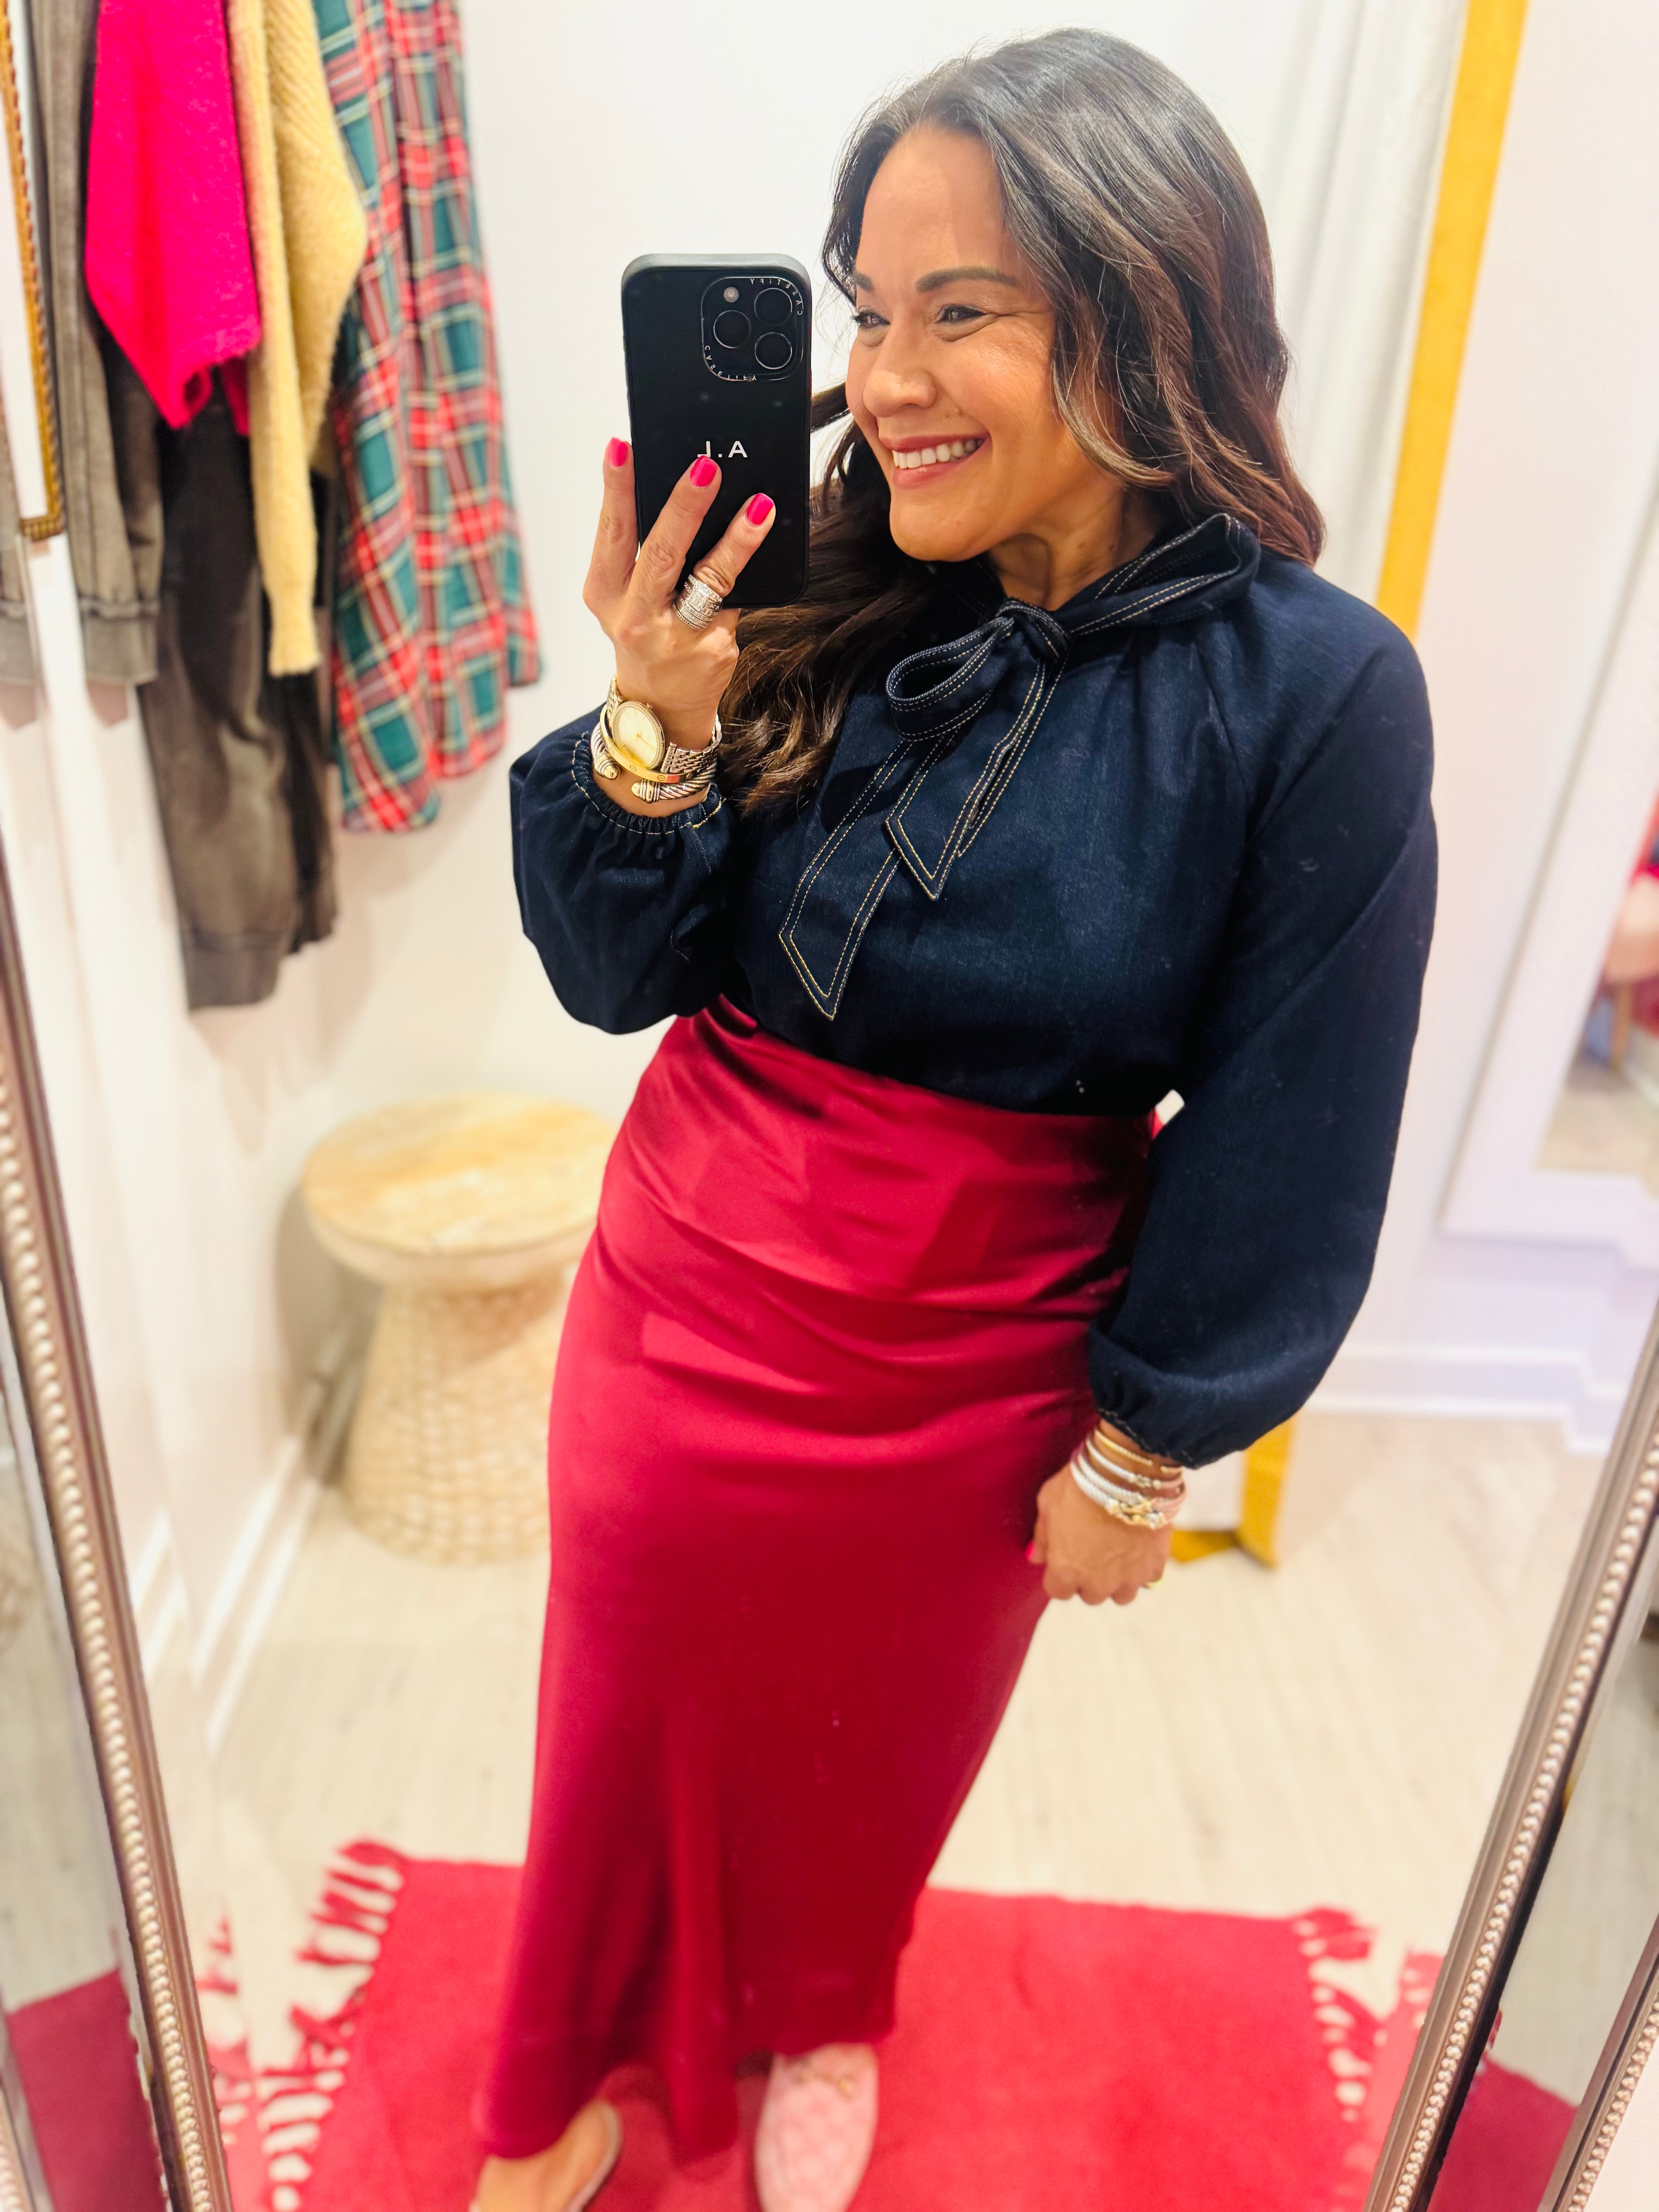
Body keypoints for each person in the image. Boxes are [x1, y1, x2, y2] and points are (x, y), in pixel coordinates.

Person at [472, 28, 1436, 2212]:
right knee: (617, 1734)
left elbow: (1297, 1103)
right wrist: (652, 721)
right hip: (684, 1309)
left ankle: (824, 2007)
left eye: (961, 311)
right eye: (868, 309)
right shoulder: (815, 575)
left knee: (875, 1756)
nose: (886, 379)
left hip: (981, 1373)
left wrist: (1149, 1441)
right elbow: (617, 973)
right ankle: (571, 2068)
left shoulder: (1316, 694)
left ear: (1145, 309)